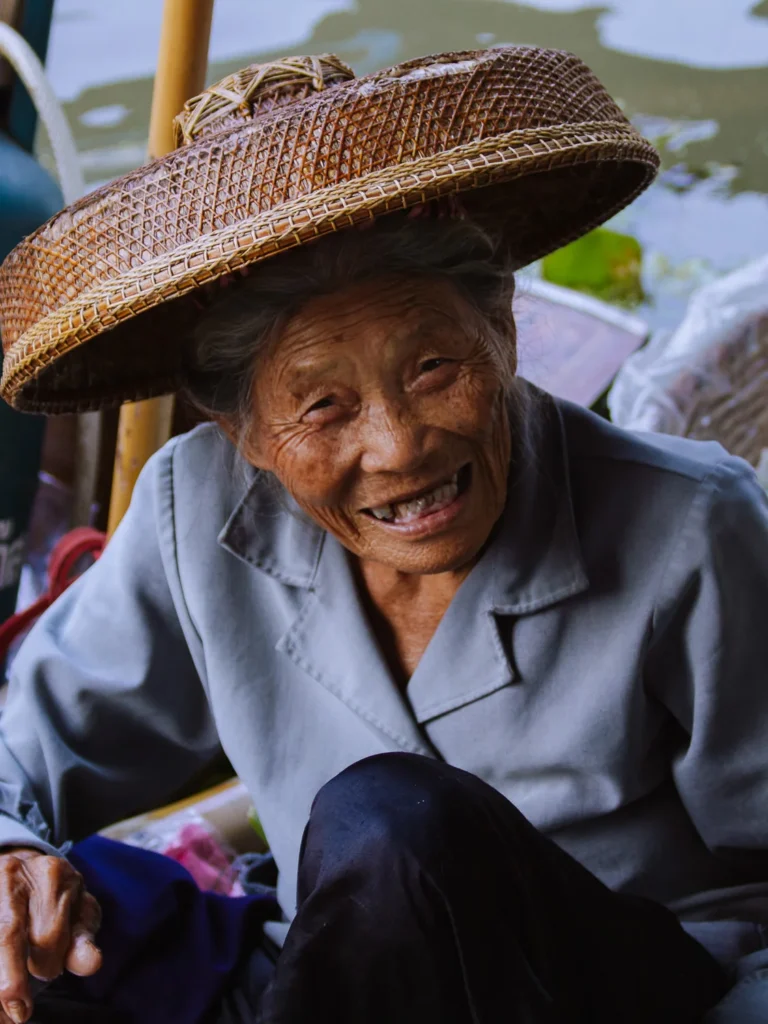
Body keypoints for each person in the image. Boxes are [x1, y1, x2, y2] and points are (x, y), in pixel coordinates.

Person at [0, 46, 766, 1024]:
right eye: (322, 407)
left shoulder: (692, 523)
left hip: (612, 998)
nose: (399, 446)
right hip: (338, 980)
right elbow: (25, 750)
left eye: (435, 367)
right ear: (239, 430)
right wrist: (12, 855)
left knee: (396, 823)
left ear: (505, 327)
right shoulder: (191, 506)